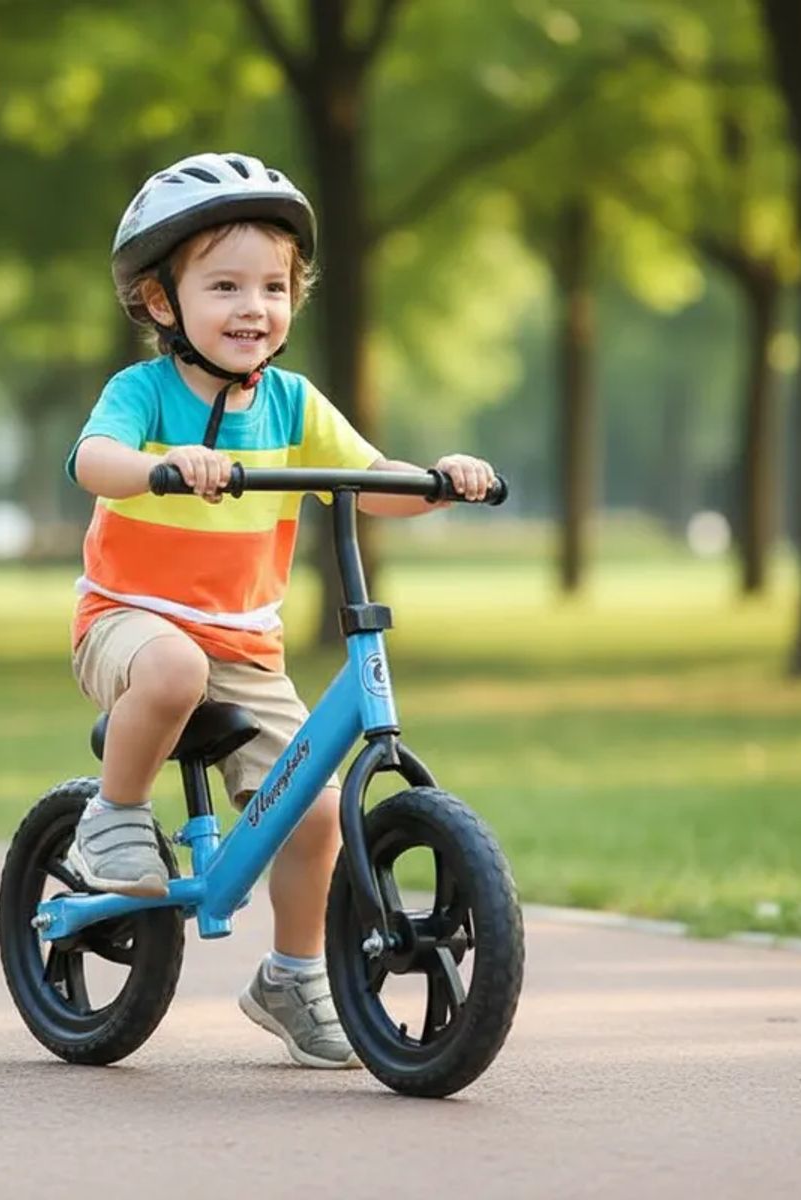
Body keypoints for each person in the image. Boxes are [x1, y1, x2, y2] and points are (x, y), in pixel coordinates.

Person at [64, 151, 496, 1069]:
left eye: (273, 286)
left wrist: (438, 481)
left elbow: (372, 481)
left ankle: (294, 977)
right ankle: (113, 815)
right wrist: (162, 467)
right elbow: (93, 461)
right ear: (160, 301)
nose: (252, 307)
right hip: (127, 623)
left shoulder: (295, 404)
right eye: (223, 286)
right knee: (174, 667)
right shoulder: (143, 393)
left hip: (246, 651)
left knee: (318, 813)